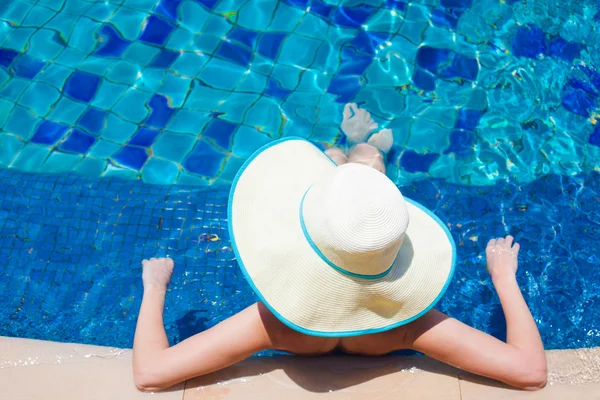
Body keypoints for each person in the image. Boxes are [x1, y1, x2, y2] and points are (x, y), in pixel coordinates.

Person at [132, 138, 547, 393]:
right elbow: (530, 371)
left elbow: (150, 373)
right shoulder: (406, 324)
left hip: (296, 319)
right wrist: (505, 279)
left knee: (344, 166)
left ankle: (340, 154)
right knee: (367, 166)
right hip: (384, 314)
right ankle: (365, 154)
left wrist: (154, 288)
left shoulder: (272, 323)